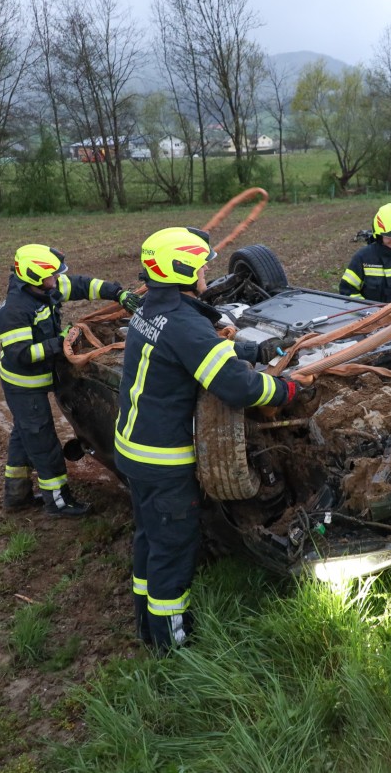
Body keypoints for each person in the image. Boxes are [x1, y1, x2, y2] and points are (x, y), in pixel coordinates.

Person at [115, 227, 303, 652]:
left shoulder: (151, 308)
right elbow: (239, 389)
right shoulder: (184, 323)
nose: (205, 273)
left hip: (133, 452)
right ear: (180, 270)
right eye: (200, 266)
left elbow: (198, 352)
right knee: (174, 549)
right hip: (163, 462)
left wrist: (253, 352)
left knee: (148, 537)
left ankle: (146, 620)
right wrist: (290, 388)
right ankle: (170, 640)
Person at [0, 244, 136, 517]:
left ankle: (16, 495)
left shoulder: (45, 289)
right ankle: (58, 502)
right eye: (52, 275)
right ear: (34, 277)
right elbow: (23, 354)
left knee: (24, 433)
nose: (57, 279)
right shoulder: (14, 311)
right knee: (42, 440)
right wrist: (60, 342)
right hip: (25, 385)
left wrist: (118, 293)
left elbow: (83, 285)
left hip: (41, 377)